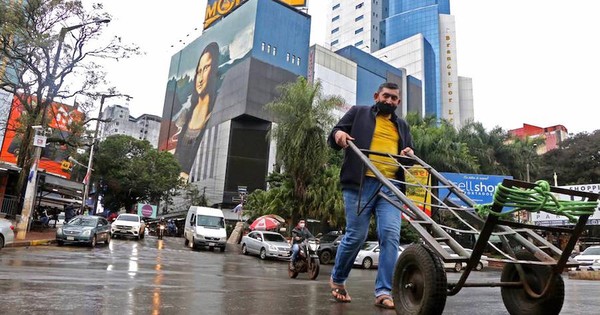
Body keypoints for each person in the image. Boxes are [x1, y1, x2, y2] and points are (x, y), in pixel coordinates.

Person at [327, 82, 414, 309]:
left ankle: (384, 292)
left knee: (390, 236)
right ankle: (338, 279)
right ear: (377, 96)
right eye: (386, 96)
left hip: (391, 186)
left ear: (398, 102)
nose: (390, 101)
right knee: (357, 235)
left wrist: (410, 153)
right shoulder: (359, 113)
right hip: (360, 183)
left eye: (394, 98)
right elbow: (334, 133)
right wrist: (339, 136)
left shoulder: (402, 126)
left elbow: (409, 153)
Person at [173, 42, 220, 178]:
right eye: (199, 71)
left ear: (214, 70)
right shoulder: (186, 114)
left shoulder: (218, 109)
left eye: (206, 68)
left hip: (201, 181)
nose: (200, 78)